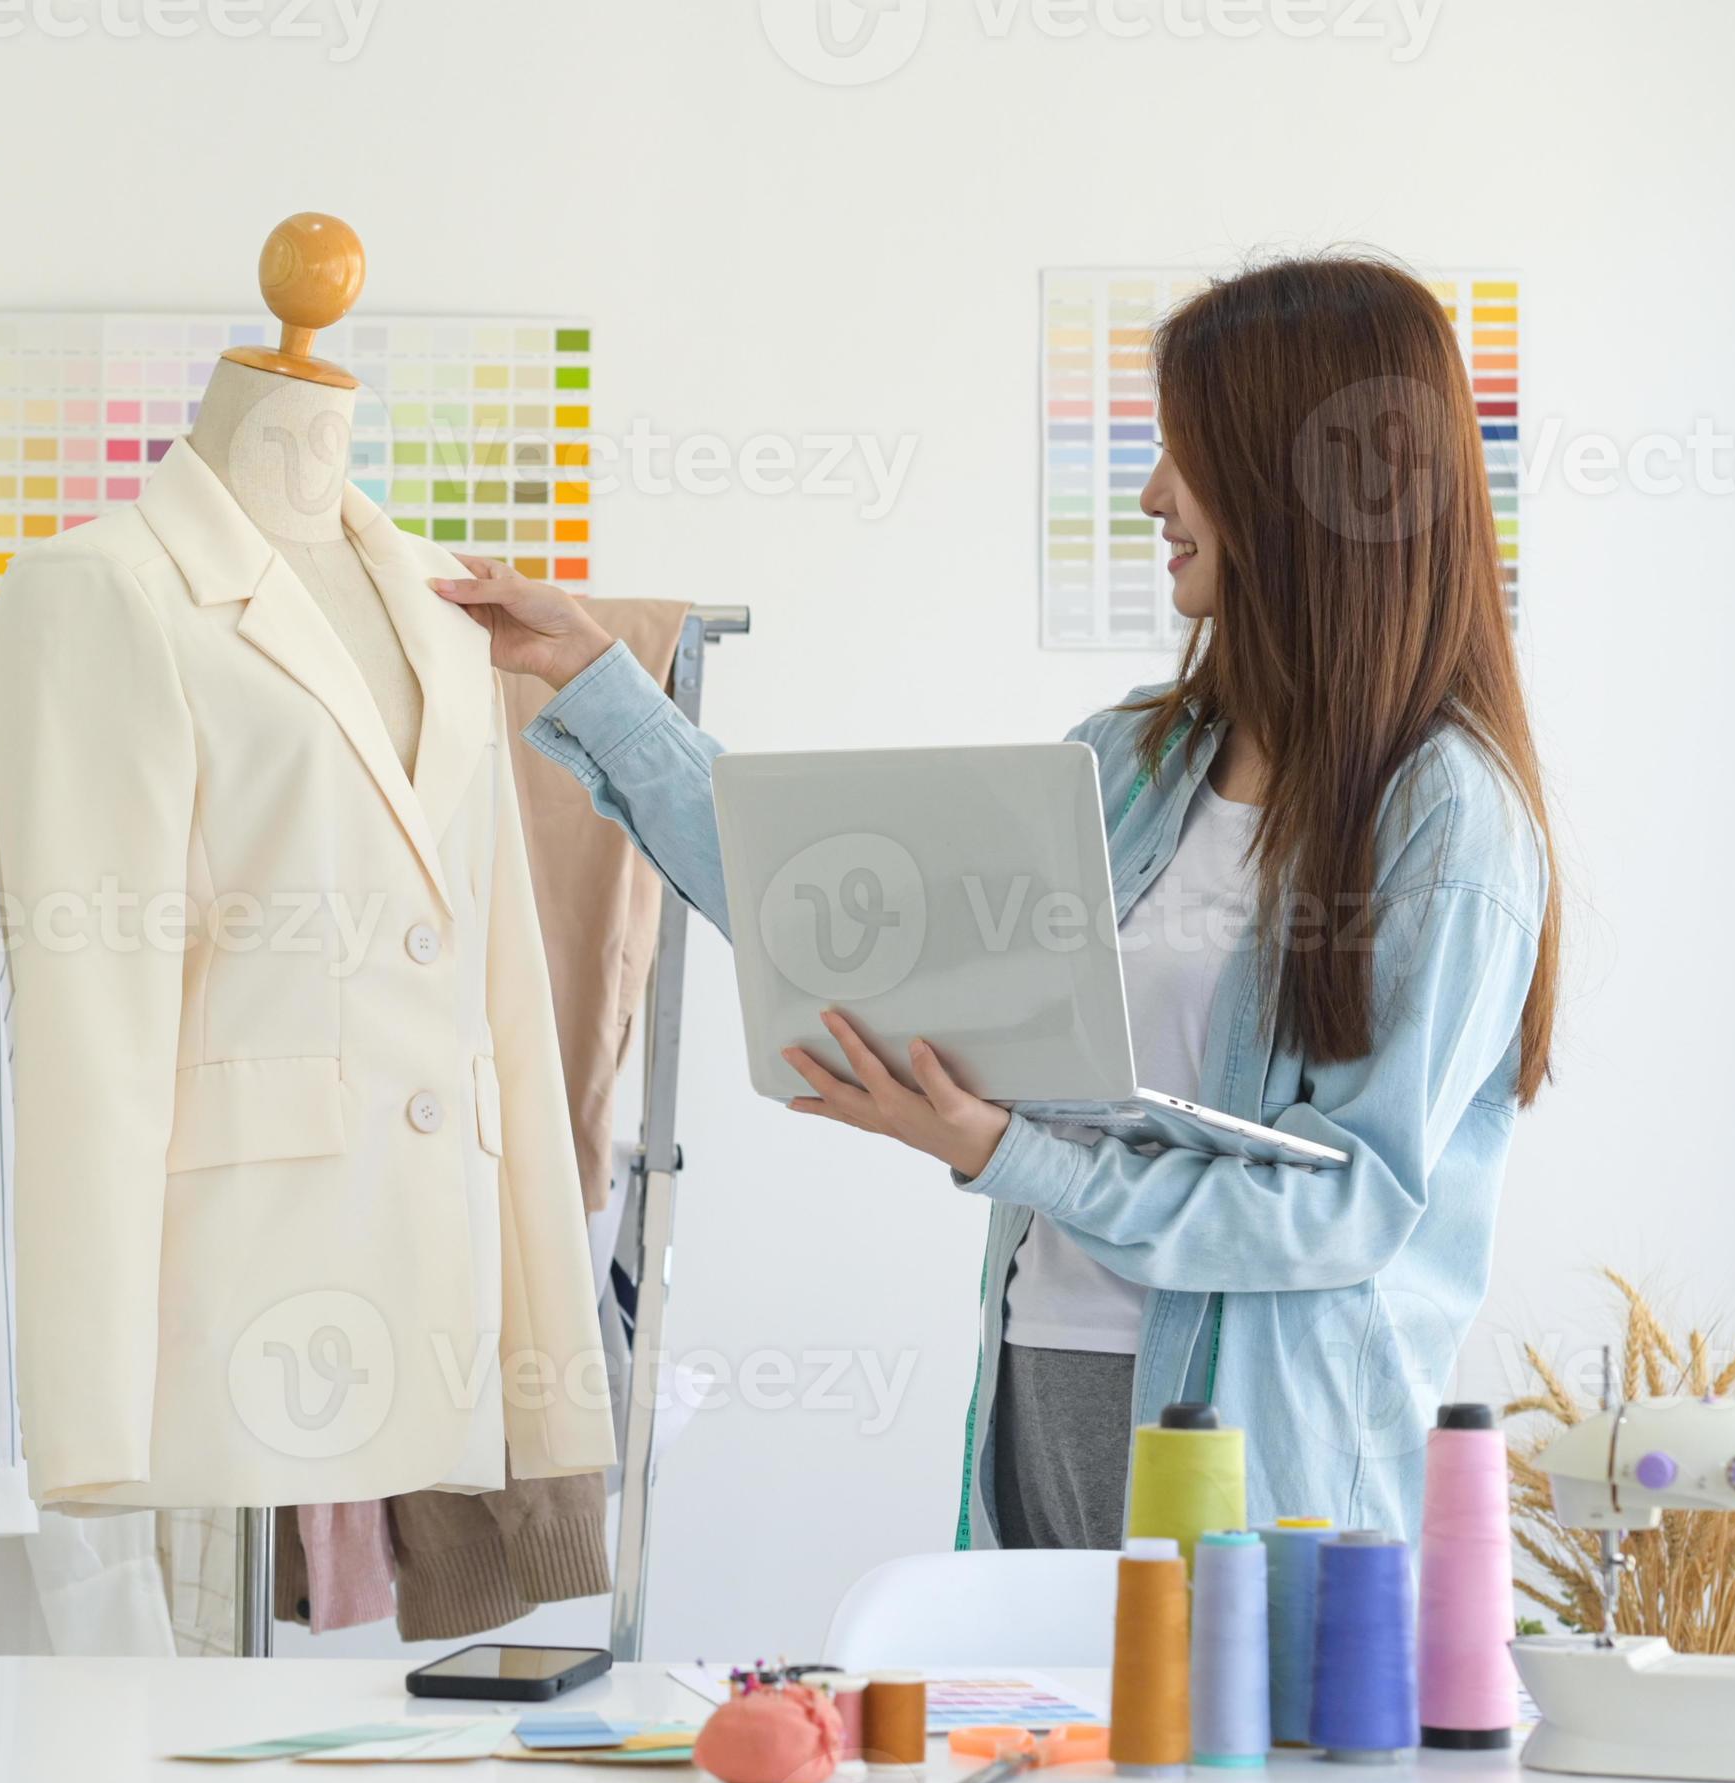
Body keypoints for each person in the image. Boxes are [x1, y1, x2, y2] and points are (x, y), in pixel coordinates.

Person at [435, 254, 1560, 1552]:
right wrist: (595, 681)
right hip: (1043, 1377)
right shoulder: (1135, 762)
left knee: (1223, 1754)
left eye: (1182, 456)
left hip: (1267, 1463)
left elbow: (1351, 1212)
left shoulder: (1446, 823)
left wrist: (996, 1151)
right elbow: (841, 912)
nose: (1150, 497)